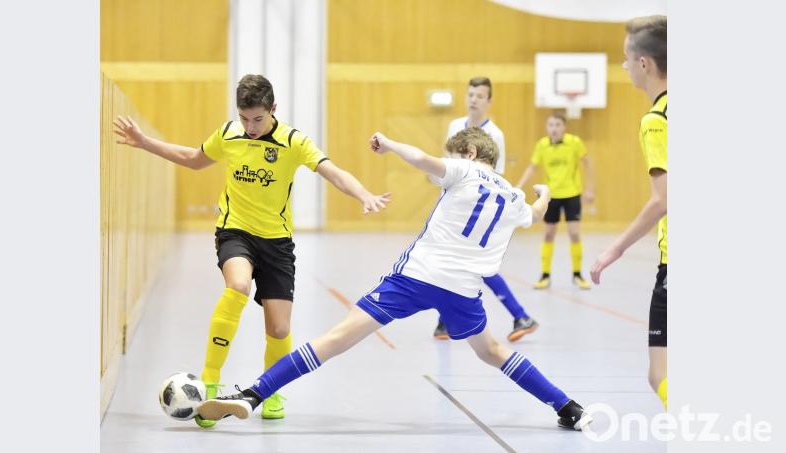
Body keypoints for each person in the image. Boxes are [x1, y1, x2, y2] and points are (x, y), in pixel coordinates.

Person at [197, 127, 592, 431]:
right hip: (463, 289)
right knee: (491, 352)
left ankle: (253, 395)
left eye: (452, 155)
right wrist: (542, 190)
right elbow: (537, 213)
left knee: (336, 338)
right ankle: (567, 407)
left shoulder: (465, 169)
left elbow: (422, 159)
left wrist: (390, 144)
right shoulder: (513, 196)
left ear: (470, 153)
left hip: (417, 276)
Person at [113, 74, 390, 427]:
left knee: (278, 328)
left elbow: (333, 172)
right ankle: (210, 384)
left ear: (273, 109)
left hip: (276, 243)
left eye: (258, 119)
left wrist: (363, 194)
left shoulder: (292, 142)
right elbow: (193, 159)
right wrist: (143, 142)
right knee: (239, 286)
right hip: (235, 232)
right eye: (245, 118)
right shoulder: (229, 134)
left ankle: (271, 390)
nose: (250, 126)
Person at [589, 15, 667, 409]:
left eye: (625, 59)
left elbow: (663, 199)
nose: (622, 67)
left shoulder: (657, 120)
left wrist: (613, 249)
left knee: (660, 375)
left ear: (645, 64)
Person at [434, 76, 538, 342]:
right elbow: (449, 167)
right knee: (456, 262)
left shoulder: (495, 135)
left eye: (479, 96)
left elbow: (496, 180)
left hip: (478, 212)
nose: (473, 99)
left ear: (488, 101)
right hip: (453, 207)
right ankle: (446, 322)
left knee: (473, 264)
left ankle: (519, 315)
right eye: (470, 94)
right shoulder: (455, 126)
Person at [517, 113, 595, 290]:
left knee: (574, 234)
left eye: (558, 124)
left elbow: (588, 163)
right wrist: (520, 185)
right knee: (548, 234)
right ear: (547, 127)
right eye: (550, 125)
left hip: (572, 194)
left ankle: (577, 275)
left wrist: (590, 189)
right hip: (551, 196)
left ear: (564, 127)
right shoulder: (542, 145)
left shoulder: (574, 142)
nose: (554, 128)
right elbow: (532, 166)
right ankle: (545, 275)